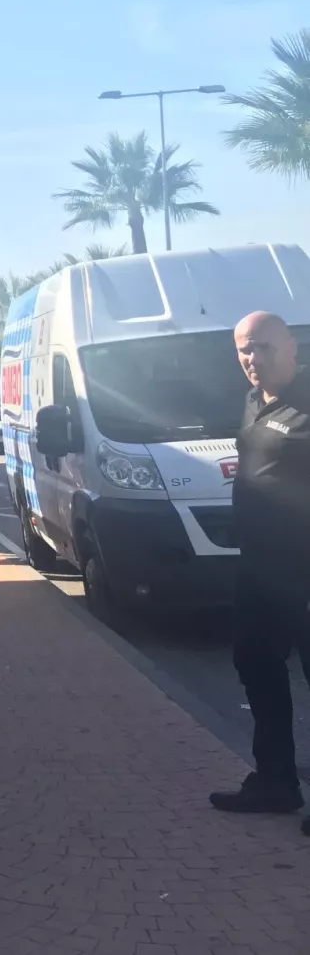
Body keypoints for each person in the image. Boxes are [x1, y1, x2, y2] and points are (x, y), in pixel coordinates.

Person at [210, 311, 310, 833]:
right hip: (258, 568)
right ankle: (275, 782)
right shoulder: (254, 401)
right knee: (256, 665)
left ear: (291, 347)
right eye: (245, 350)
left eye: (265, 347)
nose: (254, 359)